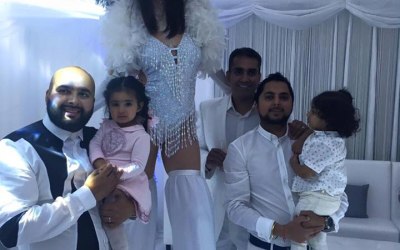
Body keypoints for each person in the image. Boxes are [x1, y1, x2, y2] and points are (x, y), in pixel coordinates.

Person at [100, 0, 225, 249]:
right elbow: (113, 77)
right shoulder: (128, 20)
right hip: (142, 125)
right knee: (136, 191)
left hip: (183, 125)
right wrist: (80, 106)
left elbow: (216, 70)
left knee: (191, 198)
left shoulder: (197, 18)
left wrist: (252, 95)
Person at [0, 66, 136, 250]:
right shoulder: (18, 148)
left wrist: (130, 209)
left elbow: (136, 184)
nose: (73, 100)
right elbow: (11, 229)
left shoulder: (103, 141)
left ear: (93, 102)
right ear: (47, 95)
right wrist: (88, 194)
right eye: (64, 91)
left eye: (83, 94)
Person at [224, 72, 349, 250]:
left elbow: (338, 191)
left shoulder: (315, 143)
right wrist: (282, 230)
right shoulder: (240, 149)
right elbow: (235, 207)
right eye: (269, 97)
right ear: (256, 103)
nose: (276, 102)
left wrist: (326, 222)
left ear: (292, 103)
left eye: (284, 97)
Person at [198, 47, 261, 250]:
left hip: (256, 207)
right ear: (228, 75)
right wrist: (207, 160)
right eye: (239, 71)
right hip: (218, 205)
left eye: (251, 72)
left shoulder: (269, 114)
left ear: (259, 77)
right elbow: (197, 149)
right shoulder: (207, 109)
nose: (245, 78)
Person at [289, 89, 359, 250]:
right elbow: (296, 147)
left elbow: (307, 173)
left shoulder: (326, 144)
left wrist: (294, 165)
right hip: (322, 197)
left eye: (313, 112)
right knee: (317, 239)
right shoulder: (320, 136)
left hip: (319, 197)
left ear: (328, 120)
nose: (307, 114)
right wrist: (308, 131)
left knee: (299, 231)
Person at [89, 76, 151, 250]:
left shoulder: (141, 136)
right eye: (115, 104)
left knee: (114, 226)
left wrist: (117, 173)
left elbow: (138, 165)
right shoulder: (106, 127)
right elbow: (94, 144)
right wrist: (99, 162)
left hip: (126, 182)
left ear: (138, 106)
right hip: (102, 174)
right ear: (108, 106)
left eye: (127, 104)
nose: (121, 109)